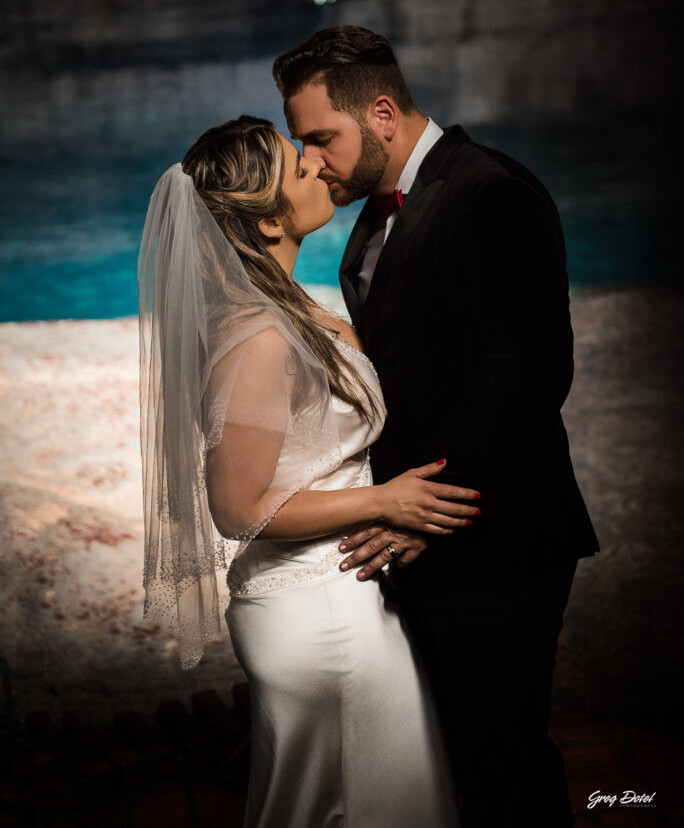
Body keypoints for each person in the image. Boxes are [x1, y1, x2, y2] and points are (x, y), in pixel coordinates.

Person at [272, 27, 600, 828]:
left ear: (382, 112)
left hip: (495, 538)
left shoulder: (494, 194)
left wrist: (433, 511)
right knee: (456, 754)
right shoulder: (375, 214)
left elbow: (531, 374)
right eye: (303, 143)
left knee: (504, 761)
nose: (312, 160)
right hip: (414, 532)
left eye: (322, 137)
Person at [138, 115, 478, 827]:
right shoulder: (258, 340)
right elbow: (236, 508)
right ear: (266, 226)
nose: (316, 166)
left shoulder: (290, 310)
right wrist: (386, 502)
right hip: (319, 618)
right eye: (298, 166)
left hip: (344, 594)